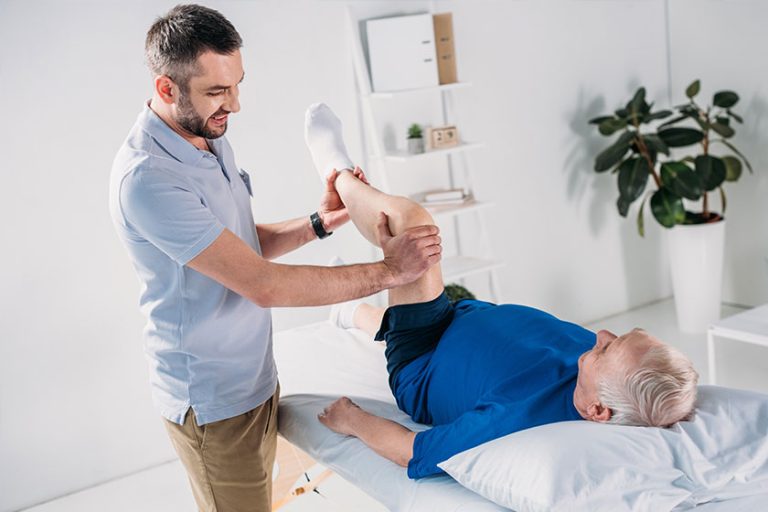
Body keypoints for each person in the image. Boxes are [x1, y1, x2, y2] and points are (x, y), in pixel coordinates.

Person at [108, 5, 441, 511]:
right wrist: (393, 270)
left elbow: (236, 246)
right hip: (214, 399)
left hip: (256, 375)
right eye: (218, 92)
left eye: (237, 84)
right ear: (166, 89)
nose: (234, 105)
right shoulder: (149, 180)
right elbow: (263, 284)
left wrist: (318, 222)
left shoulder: (205, 135)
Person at [309, 134, 701, 482]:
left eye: (606, 349)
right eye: (619, 336)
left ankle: (337, 172)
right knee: (391, 311)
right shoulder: (605, 380)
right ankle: (348, 312)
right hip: (460, 318)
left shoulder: (519, 417)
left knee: (414, 228)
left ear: (597, 410)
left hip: (421, 359)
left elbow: (413, 451)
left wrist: (351, 419)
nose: (601, 334)